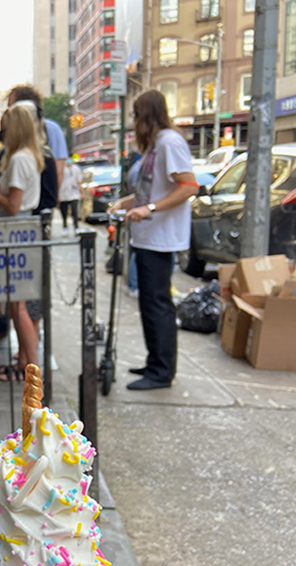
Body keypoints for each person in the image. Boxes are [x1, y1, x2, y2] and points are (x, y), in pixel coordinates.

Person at [108, 90, 197, 391]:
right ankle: (155, 362)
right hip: (147, 235)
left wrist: (150, 208)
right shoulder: (155, 146)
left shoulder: (170, 142)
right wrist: (127, 202)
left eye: (135, 114)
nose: (133, 121)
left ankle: (161, 371)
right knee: (150, 302)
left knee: (157, 304)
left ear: (145, 115)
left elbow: (188, 186)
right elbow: (153, 191)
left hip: (160, 237)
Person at [0, 104, 43, 381]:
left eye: (4, 126)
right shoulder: (27, 157)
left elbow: (12, 206)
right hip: (21, 232)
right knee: (18, 304)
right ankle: (26, 363)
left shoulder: (18, 160)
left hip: (16, 232)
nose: (0, 132)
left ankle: (32, 371)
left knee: (18, 305)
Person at [58, 159, 83, 235]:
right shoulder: (61, 169)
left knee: (74, 211)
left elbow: (79, 181)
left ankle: (76, 227)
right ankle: (65, 226)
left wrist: (82, 192)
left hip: (74, 192)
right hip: (63, 193)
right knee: (64, 212)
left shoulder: (76, 169)